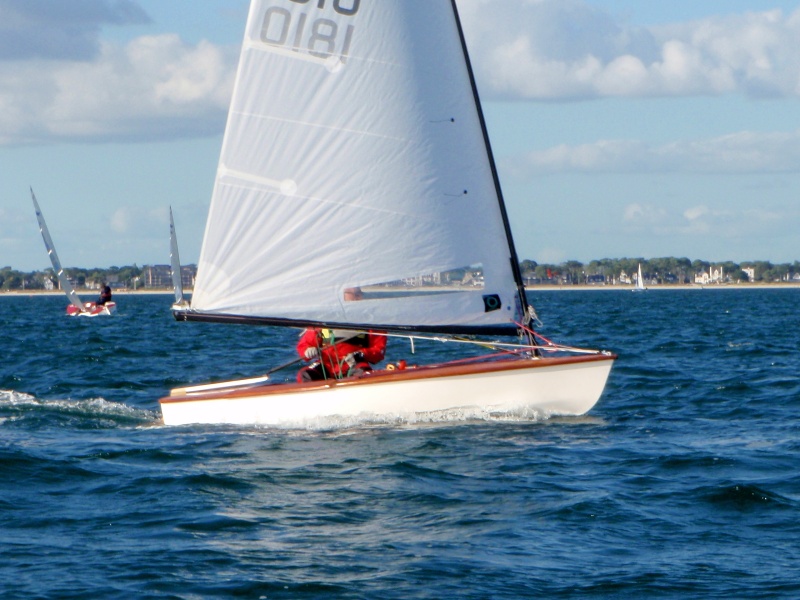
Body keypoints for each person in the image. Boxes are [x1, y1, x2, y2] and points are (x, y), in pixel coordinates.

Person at [296, 327, 387, 382]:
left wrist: (361, 354)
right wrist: (307, 350)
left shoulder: (368, 322)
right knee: (306, 374)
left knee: (364, 375)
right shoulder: (321, 322)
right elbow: (304, 345)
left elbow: (379, 350)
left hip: (353, 363)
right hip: (327, 365)